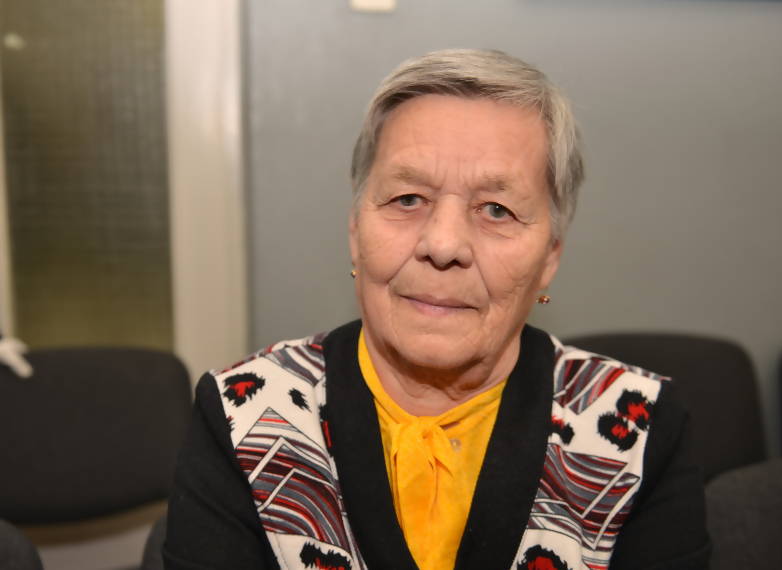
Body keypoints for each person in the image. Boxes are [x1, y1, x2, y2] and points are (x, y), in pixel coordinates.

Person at [164, 49, 710, 570]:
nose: (443, 244)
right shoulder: (243, 416)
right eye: (407, 199)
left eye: (496, 209)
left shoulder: (639, 432)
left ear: (549, 258)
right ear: (355, 232)